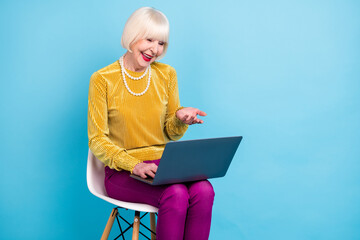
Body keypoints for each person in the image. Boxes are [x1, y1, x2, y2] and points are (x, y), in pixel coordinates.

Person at [88, 7, 214, 240]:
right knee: (175, 194)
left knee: (204, 190)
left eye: (161, 43)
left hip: (163, 165)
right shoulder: (103, 79)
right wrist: (134, 165)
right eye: (149, 39)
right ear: (132, 36)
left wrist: (179, 118)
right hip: (122, 171)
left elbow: (171, 133)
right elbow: (97, 140)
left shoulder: (166, 74)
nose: (154, 49)